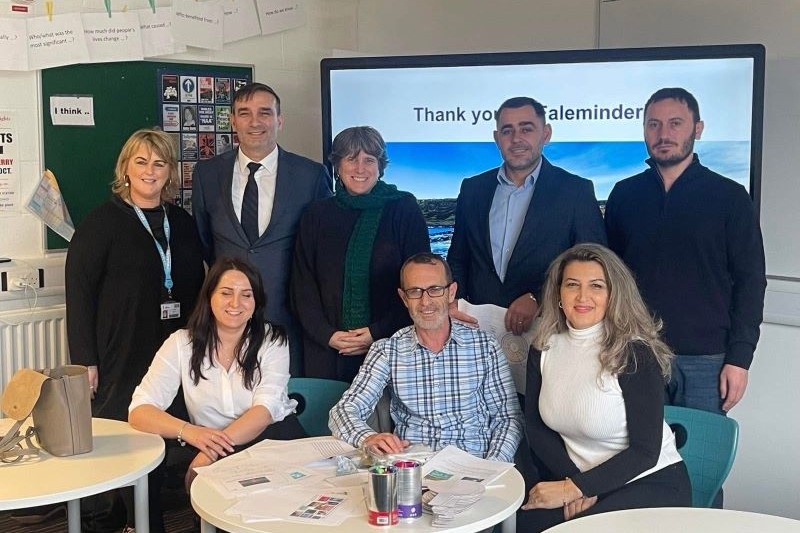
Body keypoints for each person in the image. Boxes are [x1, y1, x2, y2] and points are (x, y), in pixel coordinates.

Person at [65, 128, 205, 533]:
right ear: (125, 168)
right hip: (120, 349)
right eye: (141, 161)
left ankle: (146, 513)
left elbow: (196, 284)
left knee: (165, 432)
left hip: (174, 347)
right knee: (125, 435)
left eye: (159, 163)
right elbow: (80, 293)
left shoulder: (181, 221)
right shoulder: (101, 222)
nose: (150, 170)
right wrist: (85, 360)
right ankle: (130, 519)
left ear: (170, 172)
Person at [604, 88, 766, 416]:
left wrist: (740, 358)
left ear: (698, 128)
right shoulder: (624, 195)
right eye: (654, 124)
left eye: (675, 123)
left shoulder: (730, 198)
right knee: (639, 460)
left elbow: (751, 282)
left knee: (699, 463)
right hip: (638, 354)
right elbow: (609, 279)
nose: (664, 134)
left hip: (707, 362)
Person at [519, 243, 691, 532]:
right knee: (529, 521)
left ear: (613, 295)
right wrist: (573, 484)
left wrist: (576, 488)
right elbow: (536, 428)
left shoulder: (633, 352)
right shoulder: (544, 346)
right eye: (572, 284)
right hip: (579, 477)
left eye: (596, 286)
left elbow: (645, 451)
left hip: (648, 481)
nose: (583, 296)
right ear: (558, 294)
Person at [129, 257, 305, 493]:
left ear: (256, 302)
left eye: (246, 294)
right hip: (209, 443)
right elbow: (140, 411)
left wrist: (209, 453)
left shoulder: (272, 340)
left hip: (272, 439)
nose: (236, 303)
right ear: (209, 296)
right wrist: (189, 432)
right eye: (226, 292)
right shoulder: (181, 343)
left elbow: (264, 411)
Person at [192, 82, 332, 376]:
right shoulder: (207, 174)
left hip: (288, 323)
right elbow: (204, 242)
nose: (255, 122)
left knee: (284, 412)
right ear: (232, 121)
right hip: (226, 324)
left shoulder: (310, 176)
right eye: (244, 113)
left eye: (265, 113)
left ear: (279, 120)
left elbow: (321, 252)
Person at [329, 253, 522, 462]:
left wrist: (492, 467)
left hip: (473, 464)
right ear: (404, 298)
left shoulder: (485, 347)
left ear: (451, 293)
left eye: (435, 289)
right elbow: (343, 410)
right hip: (413, 471)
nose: (425, 301)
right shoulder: (387, 350)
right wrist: (367, 438)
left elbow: (508, 418)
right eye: (415, 292)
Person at [447, 96, 606, 337]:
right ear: (496, 138)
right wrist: (455, 300)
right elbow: (458, 256)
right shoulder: (473, 189)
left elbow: (593, 264)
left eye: (526, 129)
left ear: (546, 133)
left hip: (548, 331)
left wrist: (539, 297)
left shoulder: (575, 191)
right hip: (478, 332)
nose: (516, 139)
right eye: (507, 130)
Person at [290, 126, 430, 383]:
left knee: (385, 423)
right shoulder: (316, 214)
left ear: (381, 166)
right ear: (337, 165)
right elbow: (302, 285)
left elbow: (421, 285)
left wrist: (376, 333)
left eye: (369, 160)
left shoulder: (404, 208)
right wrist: (328, 335)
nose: (360, 168)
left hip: (390, 346)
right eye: (351, 159)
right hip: (326, 351)